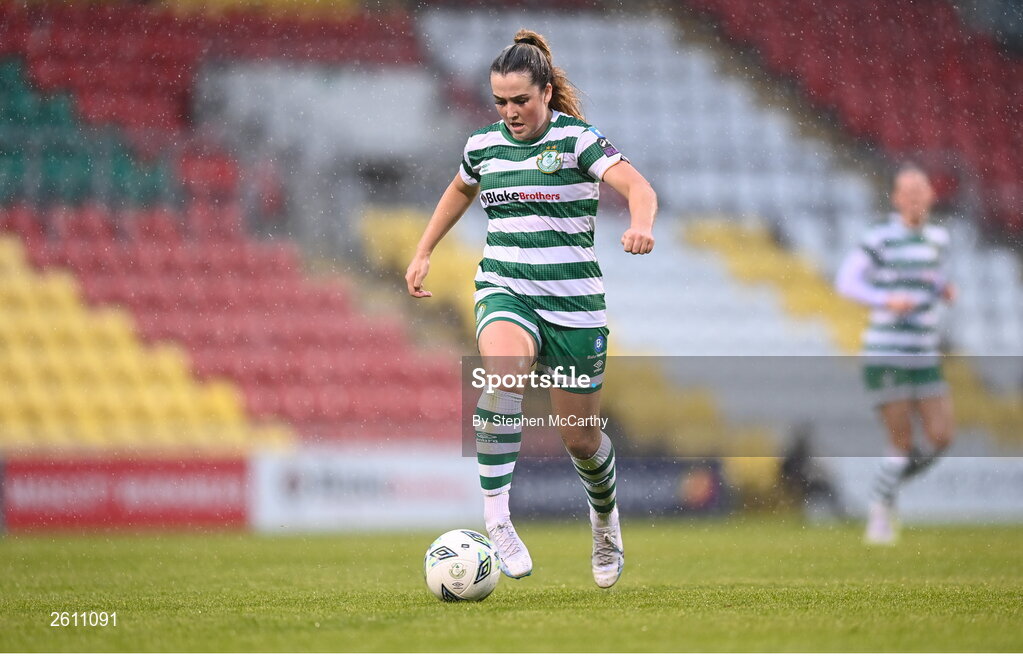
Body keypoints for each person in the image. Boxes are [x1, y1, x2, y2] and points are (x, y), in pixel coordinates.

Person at [405, 30, 656, 588]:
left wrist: (641, 224)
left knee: (582, 440)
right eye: (500, 101)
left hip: (573, 306)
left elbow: (638, 187)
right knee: (502, 381)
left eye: (521, 100)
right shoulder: (483, 146)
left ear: (546, 91)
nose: (510, 111)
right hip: (506, 290)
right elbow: (459, 189)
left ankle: (604, 521)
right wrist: (423, 251)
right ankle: (497, 520)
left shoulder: (577, 140)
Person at [835, 165, 956, 545]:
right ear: (896, 198)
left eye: (921, 189)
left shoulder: (939, 238)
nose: (916, 196)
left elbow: (929, 277)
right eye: (908, 191)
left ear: (931, 196)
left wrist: (942, 289)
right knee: (901, 439)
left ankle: (883, 489)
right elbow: (846, 282)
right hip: (886, 351)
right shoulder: (881, 236)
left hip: (924, 351)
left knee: (941, 437)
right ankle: (879, 508)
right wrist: (885, 299)